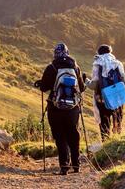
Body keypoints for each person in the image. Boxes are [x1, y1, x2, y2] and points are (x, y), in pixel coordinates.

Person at [38, 43, 85, 175]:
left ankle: (64, 166)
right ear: (67, 53)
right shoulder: (75, 67)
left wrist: (40, 83)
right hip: (73, 108)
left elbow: (44, 88)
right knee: (73, 135)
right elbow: (81, 88)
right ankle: (76, 165)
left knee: (60, 136)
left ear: (55, 54)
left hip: (55, 107)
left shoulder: (51, 67)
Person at [85, 44, 125, 141]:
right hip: (117, 98)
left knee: (105, 123)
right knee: (117, 122)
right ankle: (117, 142)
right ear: (110, 52)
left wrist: (86, 81)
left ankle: (106, 144)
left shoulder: (97, 64)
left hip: (102, 99)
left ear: (99, 53)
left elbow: (93, 86)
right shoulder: (117, 63)